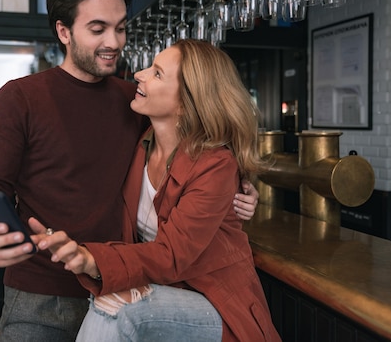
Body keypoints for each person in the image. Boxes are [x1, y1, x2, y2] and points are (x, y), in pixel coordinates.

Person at [0, 0, 259, 342]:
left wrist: (244, 185)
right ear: (64, 32)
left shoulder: (134, 102)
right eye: (98, 29)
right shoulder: (20, 97)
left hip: (129, 288)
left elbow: (198, 146)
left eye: (120, 28)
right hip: (42, 295)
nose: (115, 42)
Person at [34, 40, 281, 341]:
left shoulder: (216, 164)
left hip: (217, 304)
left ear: (186, 102)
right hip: (161, 291)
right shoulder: (140, 143)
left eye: (157, 73)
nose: (139, 74)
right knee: (114, 300)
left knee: (117, 304)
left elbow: (172, 256)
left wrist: (93, 260)